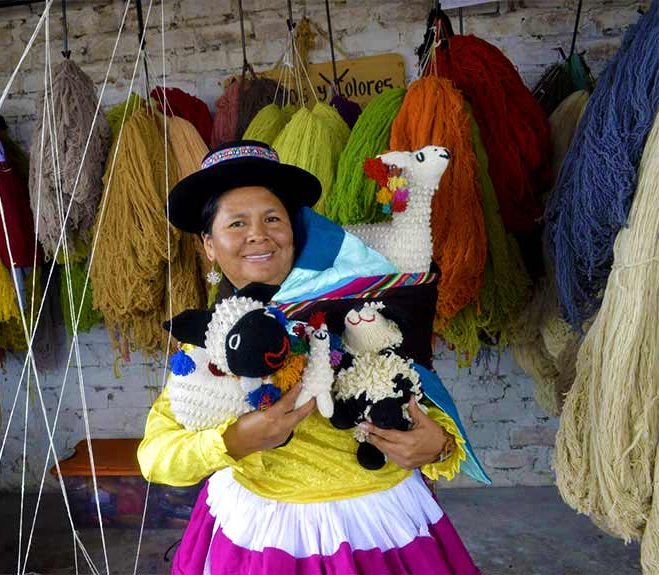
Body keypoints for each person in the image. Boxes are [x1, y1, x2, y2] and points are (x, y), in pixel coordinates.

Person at [138, 141, 483, 574]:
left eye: (272, 219)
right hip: (263, 539)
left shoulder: (360, 308)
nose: (258, 234)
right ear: (208, 244)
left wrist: (438, 445)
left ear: (294, 229)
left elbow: (422, 397)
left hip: (382, 529)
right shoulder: (209, 345)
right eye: (237, 223)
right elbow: (156, 455)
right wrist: (235, 441)